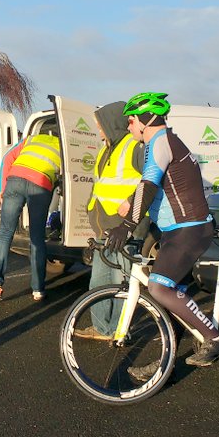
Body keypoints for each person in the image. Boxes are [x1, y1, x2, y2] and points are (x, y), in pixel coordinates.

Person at [105, 92, 219, 367]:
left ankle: (215, 339)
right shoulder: (158, 143)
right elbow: (155, 185)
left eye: (131, 121)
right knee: (171, 297)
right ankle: (166, 364)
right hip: (175, 229)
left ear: (145, 121)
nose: (128, 127)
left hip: (190, 228)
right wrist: (129, 205)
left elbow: (149, 185)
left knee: (159, 288)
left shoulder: (161, 142)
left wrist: (127, 227)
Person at [74, 102, 148, 340]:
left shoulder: (134, 147)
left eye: (101, 125)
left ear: (112, 123)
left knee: (121, 282)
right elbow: (101, 186)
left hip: (126, 227)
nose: (99, 130)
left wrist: (129, 204)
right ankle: (103, 328)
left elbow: (151, 183)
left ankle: (117, 329)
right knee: (101, 281)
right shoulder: (107, 149)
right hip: (106, 226)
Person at [0, 123, 62, 302]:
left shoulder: (30, 140)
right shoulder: (63, 147)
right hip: (40, 185)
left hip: (15, 180)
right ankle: (37, 289)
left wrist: (2, 189)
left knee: (5, 234)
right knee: (36, 237)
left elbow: (7, 159)